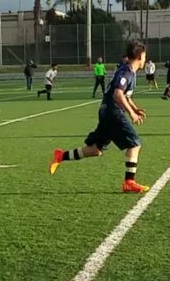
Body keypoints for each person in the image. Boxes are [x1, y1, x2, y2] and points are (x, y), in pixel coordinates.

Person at [49, 40, 150, 193]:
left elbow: (126, 96)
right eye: (144, 56)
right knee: (134, 144)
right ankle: (129, 182)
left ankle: (60, 156)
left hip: (107, 112)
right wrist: (131, 114)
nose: (145, 59)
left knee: (95, 149)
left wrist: (135, 109)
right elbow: (118, 95)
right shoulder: (126, 71)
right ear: (139, 56)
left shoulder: (130, 72)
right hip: (112, 112)